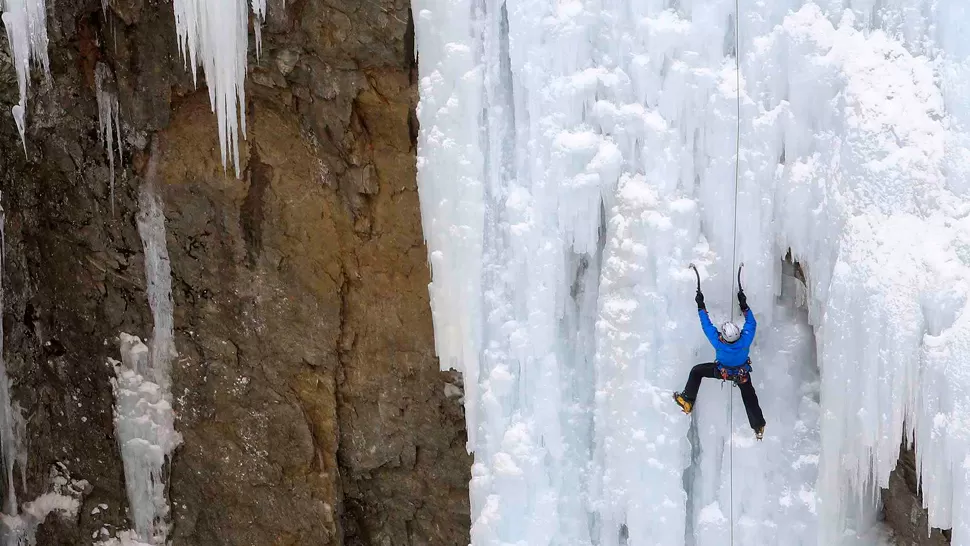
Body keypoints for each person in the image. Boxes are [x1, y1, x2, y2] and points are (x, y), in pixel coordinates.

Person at [673, 286, 766, 440]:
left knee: (697, 371)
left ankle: (687, 401)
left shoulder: (719, 343)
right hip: (741, 375)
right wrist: (744, 305)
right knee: (749, 396)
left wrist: (701, 306)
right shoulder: (745, 340)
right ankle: (758, 426)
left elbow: (706, 325)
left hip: (721, 372)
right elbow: (751, 323)